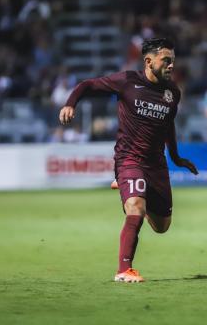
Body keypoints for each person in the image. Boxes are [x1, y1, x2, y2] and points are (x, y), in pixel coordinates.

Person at [59, 37, 198, 283]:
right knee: (135, 207)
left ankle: (131, 189)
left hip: (156, 164)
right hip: (129, 159)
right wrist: (71, 104)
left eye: (173, 61)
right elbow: (88, 85)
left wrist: (176, 158)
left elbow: (168, 127)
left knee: (162, 226)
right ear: (148, 61)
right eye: (166, 60)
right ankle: (124, 270)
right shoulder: (127, 81)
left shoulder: (172, 93)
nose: (171, 66)